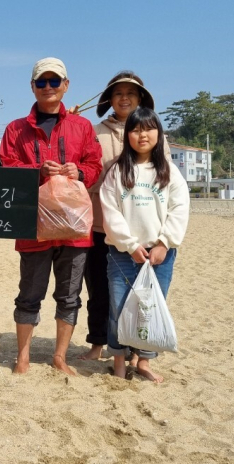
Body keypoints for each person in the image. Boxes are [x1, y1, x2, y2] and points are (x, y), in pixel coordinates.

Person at [0, 57, 102, 375]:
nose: (47, 87)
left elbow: (95, 165)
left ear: (65, 85)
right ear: (32, 87)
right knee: (29, 295)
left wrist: (80, 171)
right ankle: (23, 356)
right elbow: (6, 167)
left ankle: (60, 356)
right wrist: (35, 170)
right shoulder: (16, 128)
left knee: (69, 296)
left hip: (75, 228)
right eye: (41, 82)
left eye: (54, 81)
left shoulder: (82, 126)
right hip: (33, 227)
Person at [79, 71, 170, 361]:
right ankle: (97, 344)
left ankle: (134, 349)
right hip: (97, 224)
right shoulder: (94, 131)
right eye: (118, 93)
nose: (125, 98)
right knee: (99, 290)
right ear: (110, 99)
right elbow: (85, 170)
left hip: (143, 231)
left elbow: (165, 181)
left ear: (141, 98)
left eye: (131, 93)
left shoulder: (156, 135)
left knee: (140, 293)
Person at [100, 107, 189, 382]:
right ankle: (118, 360)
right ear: (127, 135)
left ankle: (143, 361)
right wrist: (129, 245)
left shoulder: (168, 171)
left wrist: (164, 243)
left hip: (160, 254)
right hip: (122, 254)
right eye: (136, 130)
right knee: (119, 307)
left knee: (150, 308)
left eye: (149, 129)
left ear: (159, 134)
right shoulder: (118, 170)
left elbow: (180, 208)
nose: (142, 135)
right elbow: (110, 210)